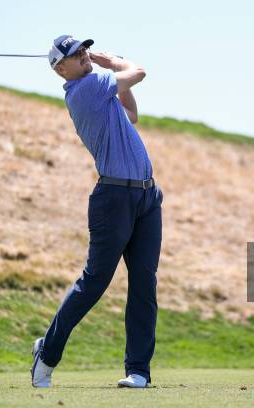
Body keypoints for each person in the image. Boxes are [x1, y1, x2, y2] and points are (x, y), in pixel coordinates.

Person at [31, 35, 163, 389]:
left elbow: (131, 115)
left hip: (148, 199)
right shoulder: (84, 90)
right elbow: (139, 72)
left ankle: (138, 371)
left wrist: (112, 72)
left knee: (143, 285)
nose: (83, 55)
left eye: (84, 49)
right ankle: (46, 352)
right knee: (94, 283)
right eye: (75, 54)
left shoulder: (101, 93)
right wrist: (114, 61)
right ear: (61, 69)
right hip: (114, 199)